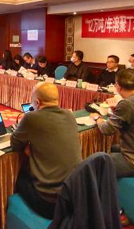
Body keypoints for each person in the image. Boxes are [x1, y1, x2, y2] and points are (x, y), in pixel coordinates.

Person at [10, 82, 82, 219]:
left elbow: (15, 144)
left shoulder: (31, 117)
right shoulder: (69, 115)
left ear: (37, 102)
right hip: (74, 195)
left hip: (50, 203)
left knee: (21, 177)